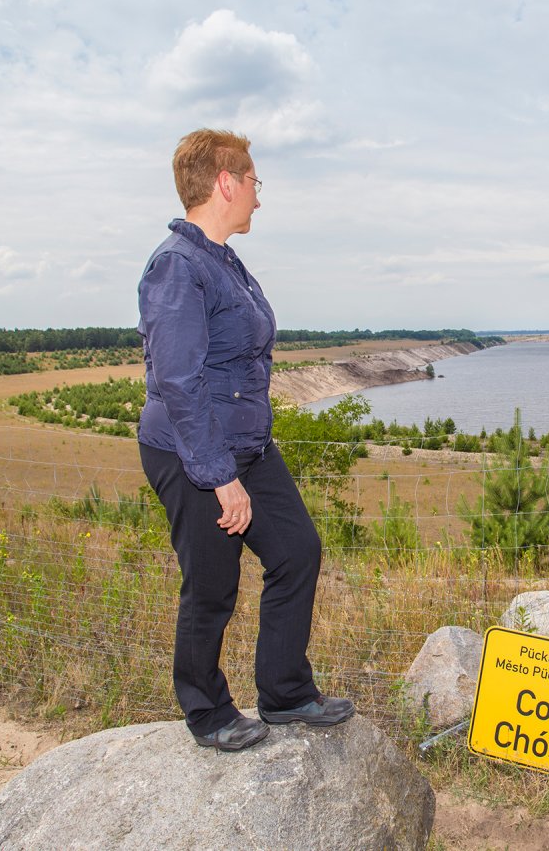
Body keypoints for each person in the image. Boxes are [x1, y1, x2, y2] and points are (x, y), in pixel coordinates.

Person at [136, 129, 353, 752]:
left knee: (296, 552)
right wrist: (219, 476)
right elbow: (177, 382)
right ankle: (206, 712)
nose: (259, 196)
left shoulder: (223, 259)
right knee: (212, 584)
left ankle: (285, 694)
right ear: (225, 183)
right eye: (254, 181)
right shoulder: (177, 266)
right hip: (190, 450)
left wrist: (242, 457)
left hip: (246, 446)